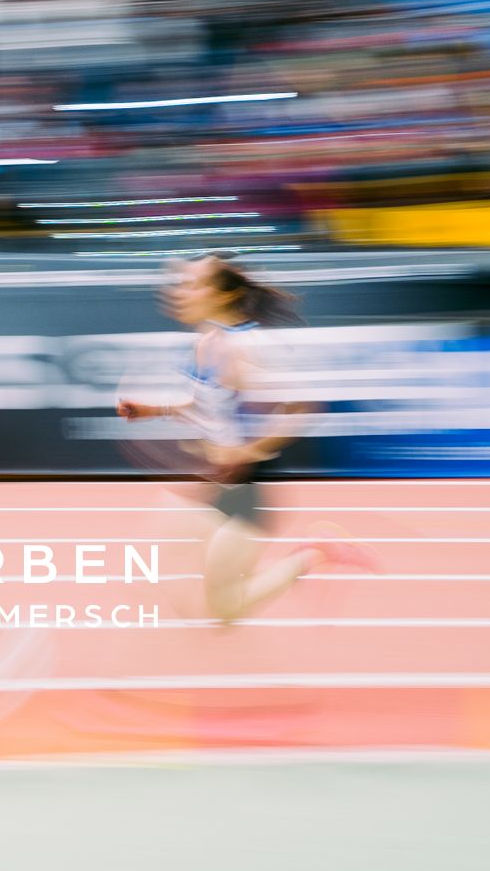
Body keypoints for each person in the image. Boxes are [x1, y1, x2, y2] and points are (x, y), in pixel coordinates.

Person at [117, 253, 376, 624]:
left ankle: (313, 555)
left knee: (224, 609)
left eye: (192, 284)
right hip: (214, 483)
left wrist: (248, 451)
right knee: (150, 566)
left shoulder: (246, 348)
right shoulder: (206, 344)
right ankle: (140, 666)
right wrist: (152, 410)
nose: (179, 292)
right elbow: (205, 404)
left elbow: (303, 407)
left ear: (222, 296)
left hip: (249, 492)